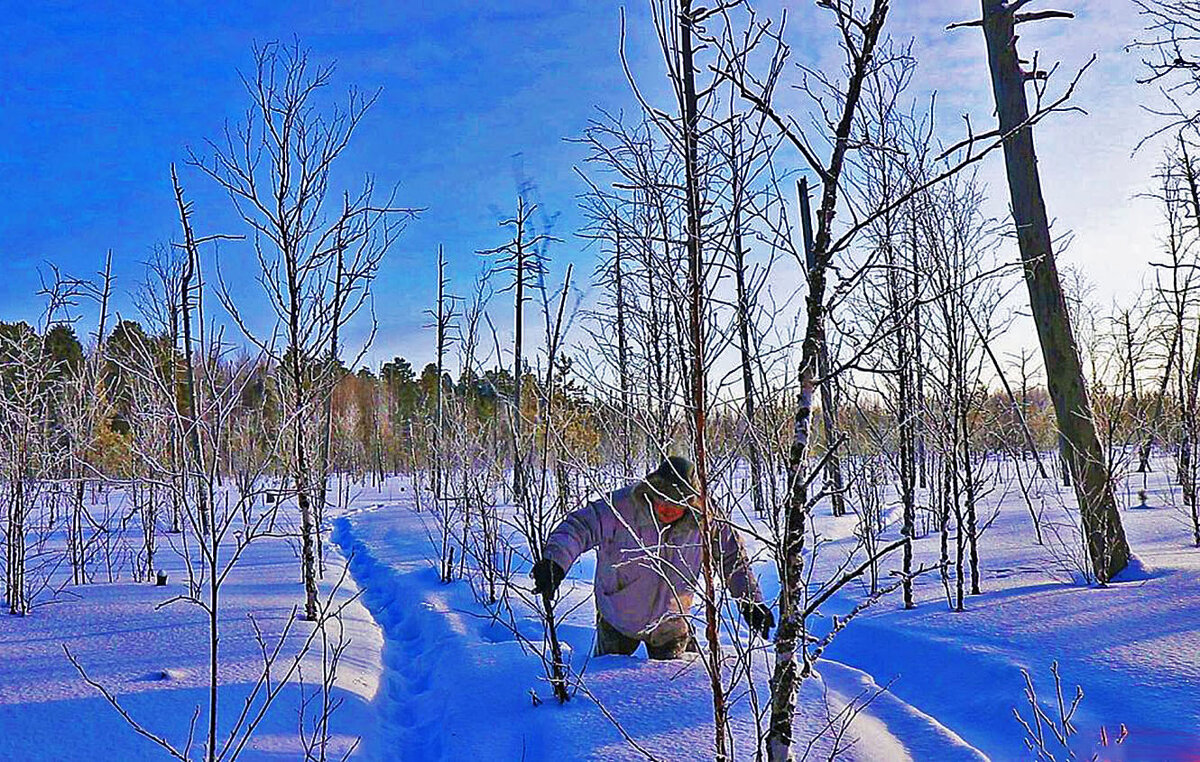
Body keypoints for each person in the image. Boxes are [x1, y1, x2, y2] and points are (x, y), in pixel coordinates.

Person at [531, 456, 774, 660]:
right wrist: (555, 562)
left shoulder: (705, 519)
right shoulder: (622, 506)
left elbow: (731, 555)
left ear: (690, 502)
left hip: (672, 621)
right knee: (607, 685)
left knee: (676, 689)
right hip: (618, 615)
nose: (666, 508)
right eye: (661, 499)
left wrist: (749, 600)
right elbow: (579, 527)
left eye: (676, 503)